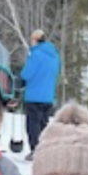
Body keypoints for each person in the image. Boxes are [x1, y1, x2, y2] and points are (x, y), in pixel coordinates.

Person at [19, 29, 61, 160]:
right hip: (48, 96)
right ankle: (45, 149)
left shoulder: (35, 55)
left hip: (34, 95)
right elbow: (56, 73)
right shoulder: (54, 56)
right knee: (44, 123)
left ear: (35, 40)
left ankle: (35, 150)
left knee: (33, 125)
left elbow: (27, 74)